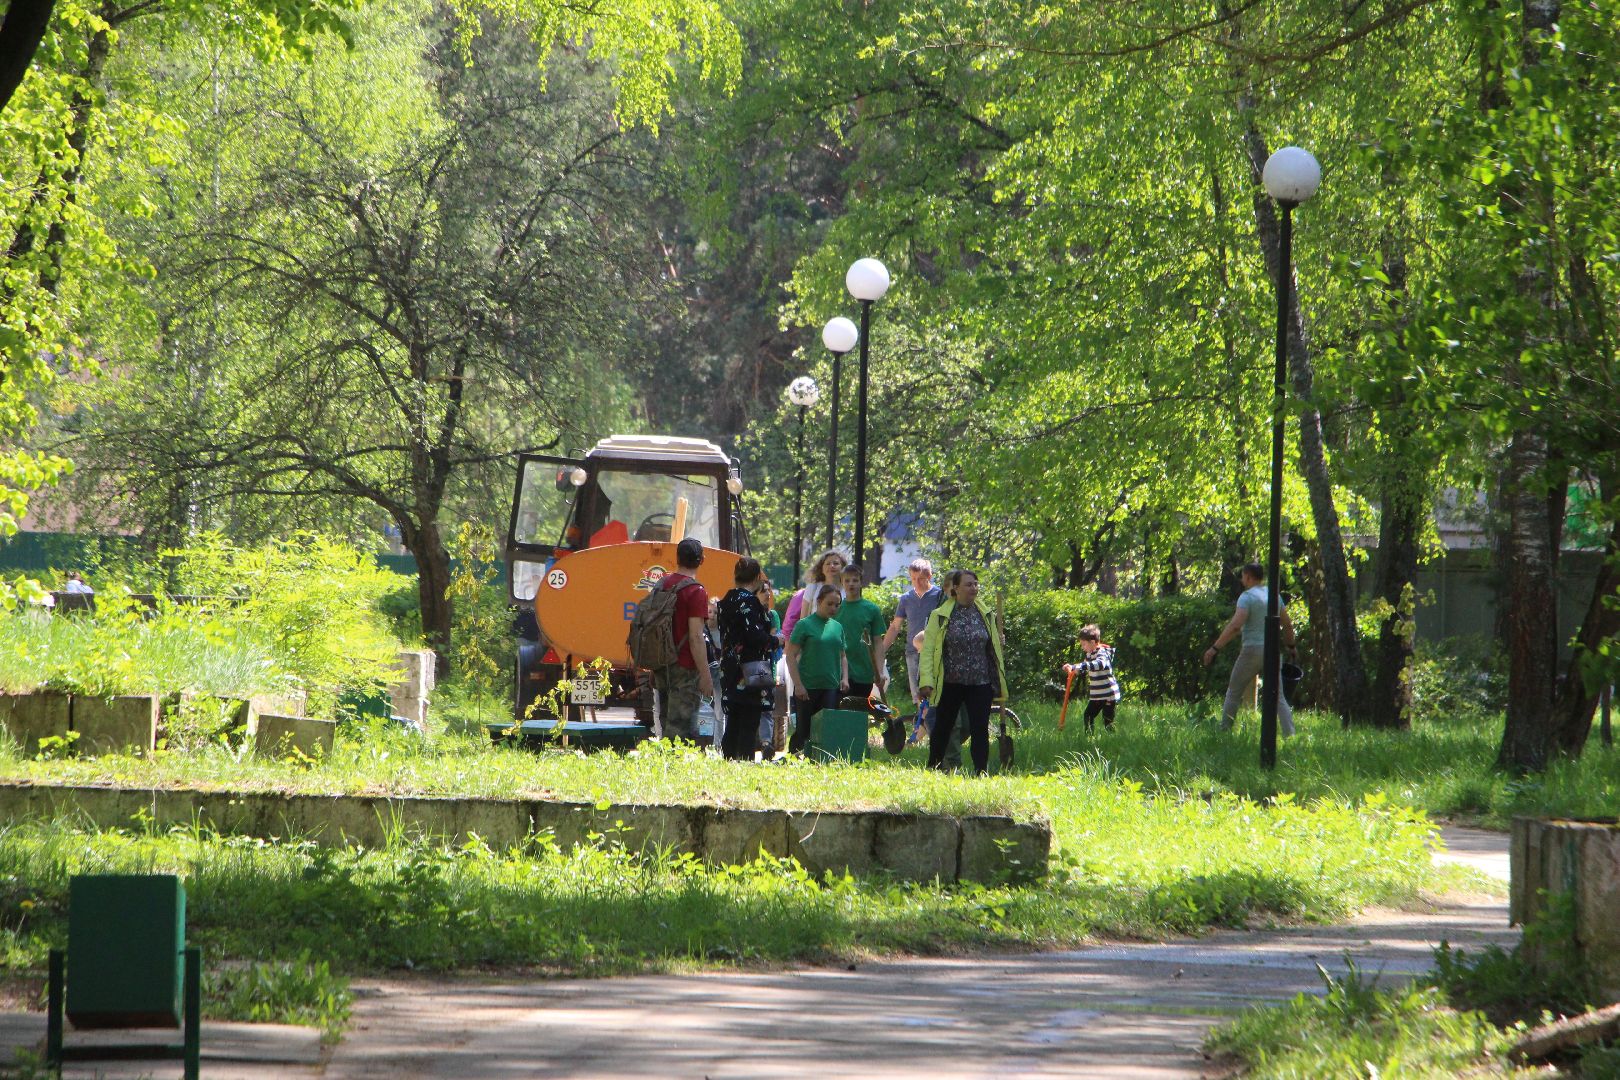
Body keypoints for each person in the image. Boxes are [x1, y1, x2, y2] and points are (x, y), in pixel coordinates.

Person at [917, 569, 1007, 776]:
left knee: (980, 729)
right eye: (968, 584)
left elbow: (992, 648)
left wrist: (999, 642)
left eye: (975, 584)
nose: (973, 588)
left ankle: (980, 771)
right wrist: (926, 681)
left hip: (980, 682)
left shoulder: (986, 614)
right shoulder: (940, 616)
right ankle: (934, 766)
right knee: (943, 726)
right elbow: (928, 650)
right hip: (951, 682)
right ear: (956, 589)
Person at [1203, 562, 1296, 737]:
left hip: (1252, 650)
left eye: (1243, 577)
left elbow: (1235, 626)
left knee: (1233, 692)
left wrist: (1214, 648)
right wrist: (1291, 647)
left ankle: (1224, 732)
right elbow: (1288, 625)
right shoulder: (1274, 596)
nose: (1242, 580)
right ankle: (1290, 735)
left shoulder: (1246, 597)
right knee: (1278, 696)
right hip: (1273, 651)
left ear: (1247, 576)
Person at [651, 537, 713, 741]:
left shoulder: (662, 584)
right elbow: (696, 637)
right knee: (681, 729)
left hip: (662, 662)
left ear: (677, 558)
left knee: (665, 720)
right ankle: (675, 759)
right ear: (702, 560)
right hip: (684, 667)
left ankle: (665, 757)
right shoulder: (696, 591)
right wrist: (705, 674)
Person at [715, 558, 777, 761]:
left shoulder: (726, 601)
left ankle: (728, 759)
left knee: (733, 717)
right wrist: (775, 640)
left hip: (729, 666)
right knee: (750, 718)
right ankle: (744, 759)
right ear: (758, 577)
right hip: (751, 670)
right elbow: (755, 636)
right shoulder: (750, 601)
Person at [785, 584, 848, 756]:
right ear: (819, 601)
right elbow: (790, 656)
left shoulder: (838, 627)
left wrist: (845, 678)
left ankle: (821, 759)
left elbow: (843, 656)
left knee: (825, 728)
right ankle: (794, 757)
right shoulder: (804, 625)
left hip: (830, 686)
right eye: (829, 604)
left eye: (837, 605)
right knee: (804, 729)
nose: (833, 608)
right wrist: (798, 685)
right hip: (808, 686)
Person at [835, 564, 887, 702]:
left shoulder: (872, 609)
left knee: (859, 710)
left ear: (861, 582)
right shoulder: (835, 609)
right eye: (847, 580)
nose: (851, 584)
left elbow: (878, 642)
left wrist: (880, 671)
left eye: (855, 580)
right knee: (839, 710)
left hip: (864, 672)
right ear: (841, 583)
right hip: (839, 673)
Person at [781, 549, 847, 643]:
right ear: (821, 568)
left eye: (836, 563)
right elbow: (803, 617)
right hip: (814, 638)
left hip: (839, 638)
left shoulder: (847, 590)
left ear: (843, 567)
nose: (832, 566)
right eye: (828, 563)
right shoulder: (813, 587)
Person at [1072, 624, 1120, 731]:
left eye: (1084, 644)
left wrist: (1081, 666)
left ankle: (1112, 737)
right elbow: (1084, 667)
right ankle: (1089, 738)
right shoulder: (1089, 655)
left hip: (1108, 694)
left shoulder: (1102, 652)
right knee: (1088, 715)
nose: (1082, 647)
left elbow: (1099, 664)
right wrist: (1072, 668)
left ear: (1093, 642)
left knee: (1108, 721)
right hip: (1097, 695)